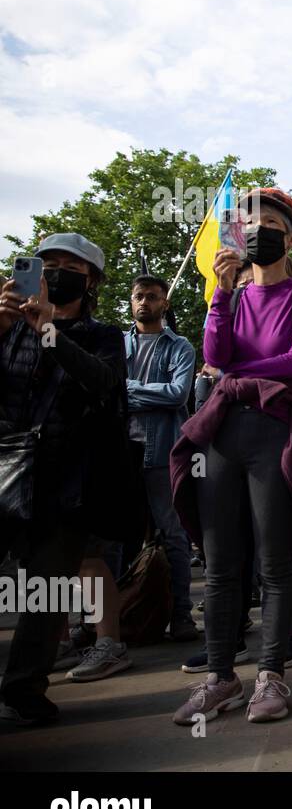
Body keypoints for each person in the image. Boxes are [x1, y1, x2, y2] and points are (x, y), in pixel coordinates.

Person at [170, 187, 292, 726]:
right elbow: (215, 357)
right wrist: (219, 291)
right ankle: (220, 678)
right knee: (220, 565)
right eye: (250, 224)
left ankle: (270, 672)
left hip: (277, 433)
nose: (258, 232)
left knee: (277, 563)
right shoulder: (231, 297)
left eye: (270, 225)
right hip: (223, 432)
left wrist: (241, 374)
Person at [0, 234, 126, 725]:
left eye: (68, 265)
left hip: (65, 481)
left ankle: (23, 692)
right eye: (46, 262)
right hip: (7, 471)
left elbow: (102, 381)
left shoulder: (103, 335)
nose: (54, 271)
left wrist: (51, 333)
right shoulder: (9, 328)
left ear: (89, 279)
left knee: (44, 592)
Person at [122, 275, 198, 646]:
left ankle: (181, 614)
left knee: (173, 535)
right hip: (121, 454)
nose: (145, 303)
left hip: (162, 453)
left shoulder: (180, 347)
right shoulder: (116, 344)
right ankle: (107, 620)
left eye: (152, 297)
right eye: (139, 296)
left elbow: (176, 394)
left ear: (164, 303)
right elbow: (103, 392)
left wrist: (126, 389)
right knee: (115, 540)